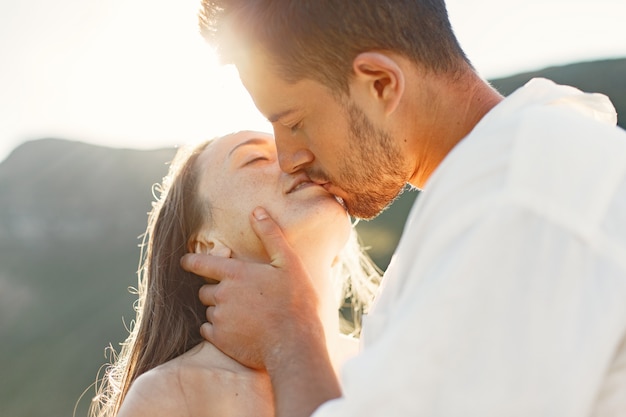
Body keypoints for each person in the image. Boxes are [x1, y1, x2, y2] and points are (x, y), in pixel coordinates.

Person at [181, 1, 626, 416]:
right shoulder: (506, 184)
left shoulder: (518, 197)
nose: (289, 157)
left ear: (380, 83)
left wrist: (288, 339)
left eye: (295, 122)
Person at [88, 131, 381, 417]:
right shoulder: (173, 396)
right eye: (255, 158)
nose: (296, 160)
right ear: (207, 246)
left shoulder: (385, 357)